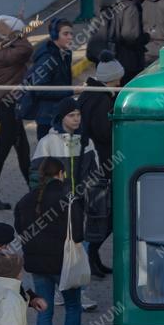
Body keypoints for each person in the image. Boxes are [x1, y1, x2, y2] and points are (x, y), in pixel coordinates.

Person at [14, 158, 90, 325]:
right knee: (73, 306)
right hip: (64, 265)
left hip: (37, 265)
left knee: (44, 310)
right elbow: (77, 234)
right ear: (61, 174)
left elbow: (20, 230)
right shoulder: (69, 199)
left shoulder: (25, 200)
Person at [31, 100, 100, 307]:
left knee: (81, 247)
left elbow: (94, 173)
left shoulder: (86, 142)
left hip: (79, 207)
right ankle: (61, 290)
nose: (76, 119)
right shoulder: (47, 143)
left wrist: (86, 192)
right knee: (59, 249)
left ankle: (79, 292)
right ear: (62, 118)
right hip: (55, 208)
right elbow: (36, 176)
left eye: (78, 114)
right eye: (71, 115)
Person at [0, 16, 33, 211]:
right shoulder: (3, 55)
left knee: (23, 152)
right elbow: (27, 50)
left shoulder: (6, 51)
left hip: (11, 107)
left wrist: (13, 33)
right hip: (7, 107)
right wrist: (15, 33)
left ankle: (33, 191)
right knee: (2, 153)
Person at [79, 58, 123, 277]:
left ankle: (93, 259)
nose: (119, 82)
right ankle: (90, 256)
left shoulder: (91, 94)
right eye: (117, 78)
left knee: (101, 216)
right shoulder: (101, 101)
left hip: (96, 164)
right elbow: (104, 133)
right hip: (102, 166)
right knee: (107, 217)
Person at [92, 0, 149, 82]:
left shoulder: (107, 3)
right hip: (129, 64)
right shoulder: (131, 6)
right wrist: (146, 37)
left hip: (110, 61)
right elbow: (131, 37)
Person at [24, 18, 74, 139]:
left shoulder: (65, 53)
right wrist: (72, 91)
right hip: (47, 117)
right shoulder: (46, 58)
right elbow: (40, 89)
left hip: (59, 113)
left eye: (71, 34)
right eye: (65, 34)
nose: (70, 37)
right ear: (55, 35)